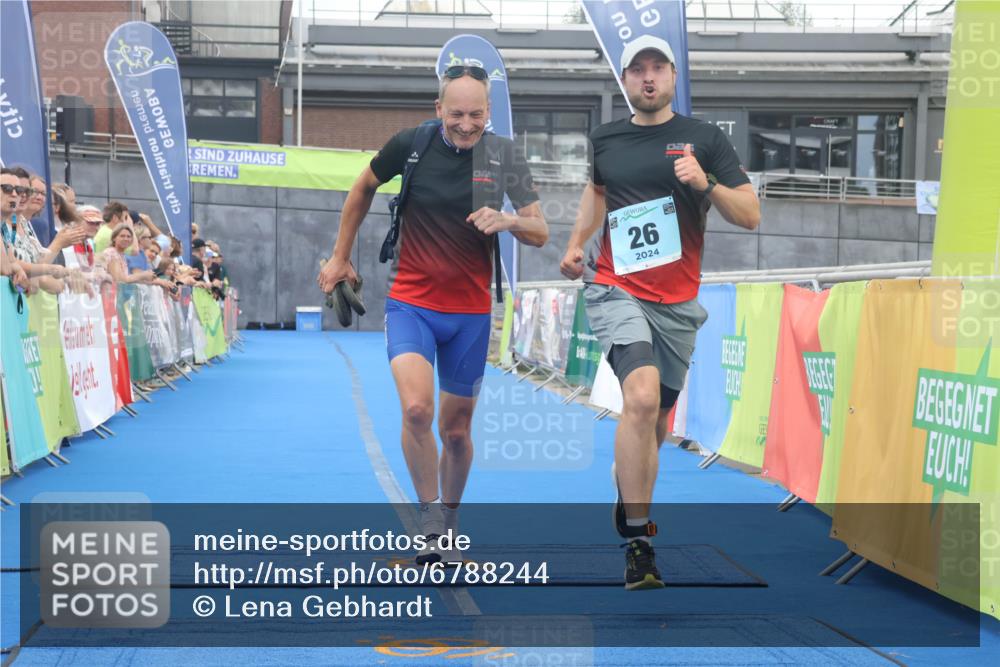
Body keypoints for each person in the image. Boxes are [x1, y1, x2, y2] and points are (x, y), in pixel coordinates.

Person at [317, 63, 548, 564]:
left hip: (470, 314)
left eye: (477, 115)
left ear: (489, 112)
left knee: (457, 431)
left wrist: (507, 218)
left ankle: (450, 519)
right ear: (438, 109)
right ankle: (429, 519)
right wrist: (340, 256)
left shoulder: (505, 156)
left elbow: (540, 230)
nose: (466, 124)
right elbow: (362, 189)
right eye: (457, 114)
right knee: (417, 410)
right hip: (412, 305)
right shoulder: (411, 144)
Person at [560, 36, 760, 590]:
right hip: (615, 286)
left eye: (657, 69)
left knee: (658, 425)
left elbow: (751, 215)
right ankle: (638, 540)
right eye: (637, 70)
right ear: (625, 80)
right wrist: (578, 243)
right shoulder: (606, 138)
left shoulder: (705, 139)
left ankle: (628, 483)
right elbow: (597, 195)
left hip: (677, 302)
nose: (648, 78)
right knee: (641, 397)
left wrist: (708, 182)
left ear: (673, 76)